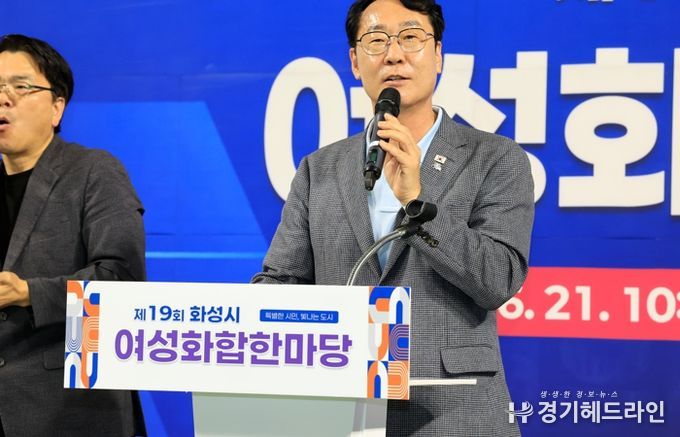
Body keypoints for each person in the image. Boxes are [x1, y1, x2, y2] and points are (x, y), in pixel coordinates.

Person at [254, 0, 535, 435]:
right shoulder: (319, 169)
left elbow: (498, 279)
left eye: (410, 37)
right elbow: (282, 282)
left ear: (438, 54)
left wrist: (417, 201)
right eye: (376, 40)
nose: (394, 54)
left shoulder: (494, 158)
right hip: (344, 410)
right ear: (354, 61)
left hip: (454, 409)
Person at [0, 34, 146, 436]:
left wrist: (28, 293)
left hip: (68, 410)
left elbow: (122, 280)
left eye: (20, 87)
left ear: (57, 107)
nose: (4, 99)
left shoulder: (93, 172)